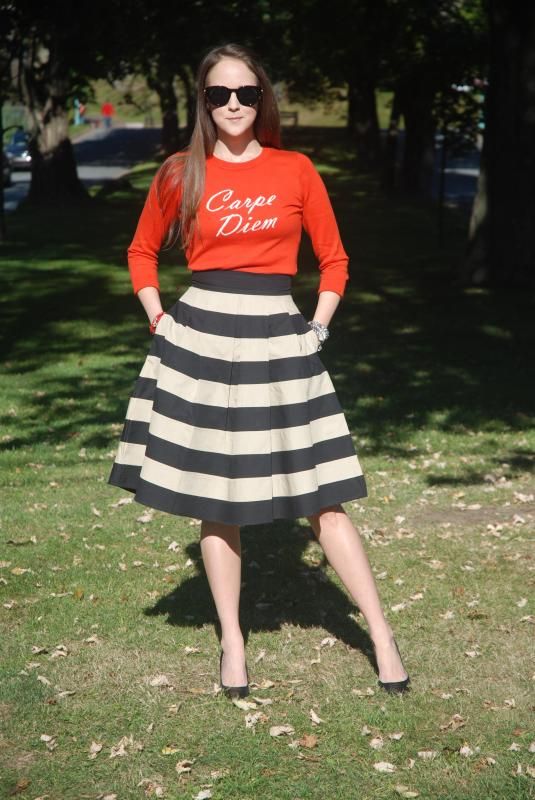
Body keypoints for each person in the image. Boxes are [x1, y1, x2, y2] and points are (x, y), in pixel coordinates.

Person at [108, 43, 410, 700]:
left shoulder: (295, 169)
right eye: (219, 94)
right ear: (204, 101)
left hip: (278, 339)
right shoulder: (179, 173)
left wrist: (317, 328)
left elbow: (335, 260)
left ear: (262, 98)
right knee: (216, 500)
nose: (233, 104)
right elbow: (140, 251)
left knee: (323, 495)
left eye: (245, 93)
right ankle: (233, 642)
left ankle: (382, 635)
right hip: (201, 340)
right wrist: (159, 318)